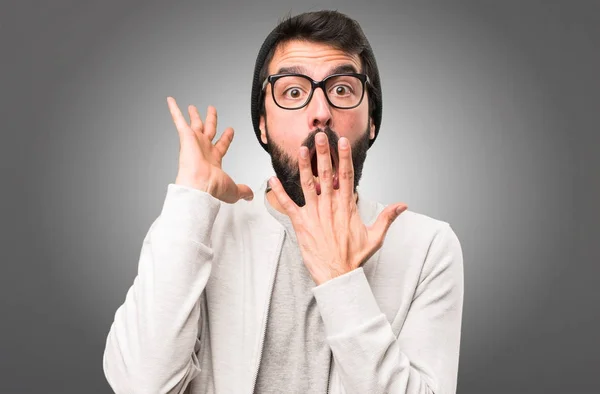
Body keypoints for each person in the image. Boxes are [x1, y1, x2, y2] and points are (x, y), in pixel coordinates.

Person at [103, 10, 464, 394]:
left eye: (342, 89)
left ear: (372, 119)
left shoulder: (428, 247)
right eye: (294, 91)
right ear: (262, 123)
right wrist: (191, 199)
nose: (321, 113)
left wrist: (341, 280)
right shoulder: (199, 229)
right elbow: (140, 385)